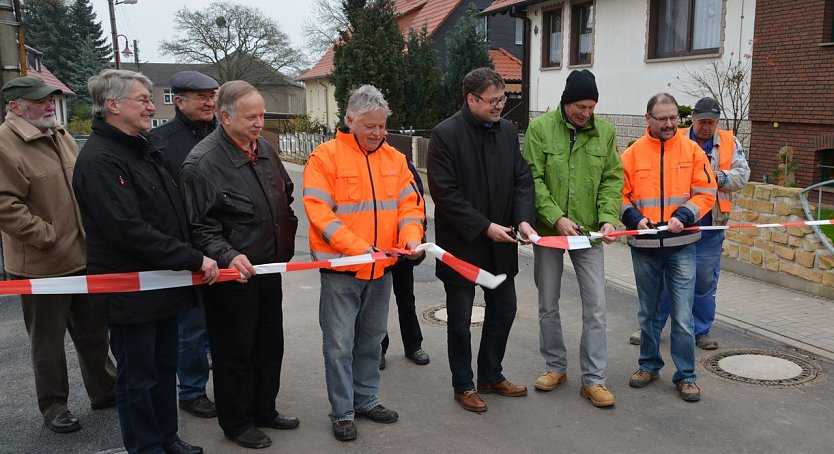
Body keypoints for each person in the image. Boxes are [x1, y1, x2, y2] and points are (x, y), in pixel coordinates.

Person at [72, 69, 217, 454]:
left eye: (151, 100)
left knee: (163, 368)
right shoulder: (101, 160)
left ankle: (166, 437)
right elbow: (127, 229)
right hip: (130, 292)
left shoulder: (141, 147)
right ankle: (146, 447)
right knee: (137, 378)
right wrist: (191, 258)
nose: (152, 106)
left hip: (162, 286)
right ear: (112, 105)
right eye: (143, 100)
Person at [179, 80, 299, 450]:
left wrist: (287, 228)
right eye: (252, 117)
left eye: (262, 115)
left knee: (269, 344)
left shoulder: (262, 148)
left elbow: (285, 192)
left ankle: (264, 408)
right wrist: (229, 255)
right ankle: (237, 422)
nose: (260, 123)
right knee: (235, 353)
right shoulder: (202, 164)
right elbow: (199, 227)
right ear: (225, 116)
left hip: (269, 269)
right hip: (233, 277)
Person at [303, 85, 425, 442]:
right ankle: (342, 411)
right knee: (339, 345)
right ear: (350, 119)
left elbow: (410, 205)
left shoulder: (395, 159)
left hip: (381, 269)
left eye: (382, 126)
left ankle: (366, 398)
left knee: (371, 339)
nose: (377, 133)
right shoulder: (324, 158)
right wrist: (359, 248)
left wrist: (411, 238)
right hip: (341, 270)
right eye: (370, 126)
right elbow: (320, 215)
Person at [0, 76, 116, 434]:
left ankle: (105, 390)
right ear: (16, 107)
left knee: (94, 331)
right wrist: (46, 236)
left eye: (52, 99)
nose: (51, 105)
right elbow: (5, 205)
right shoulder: (5, 145)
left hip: (81, 256)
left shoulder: (61, 135)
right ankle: (54, 406)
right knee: (47, 343)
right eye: (41, 101)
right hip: (39, 264)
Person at [427, 67, 537, 413]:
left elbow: (522, 179)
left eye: (502, 98)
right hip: (462, 245)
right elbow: (445, 194)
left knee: (504, 309)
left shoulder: (506, 132)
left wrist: (523, 220)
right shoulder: (445, 135)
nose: (500, 106)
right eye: (493, 100)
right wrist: (484, 225)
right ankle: (464, 384)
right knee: (459, 320)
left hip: (501, 242)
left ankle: (491, 373)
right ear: (471, 99)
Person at [521, 69, 623, 408]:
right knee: (548, 303)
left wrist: (609, 219)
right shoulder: (539, 129)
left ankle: (594, 380)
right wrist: (556, 217)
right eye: (581, 106)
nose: (586, 113)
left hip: (589, 233)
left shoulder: (605, 133)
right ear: (566, 102)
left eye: (592, 107)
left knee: (596, 306)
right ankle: (555, 367)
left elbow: (611, 179)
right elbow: (531, 179)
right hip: (550, 232)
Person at [628, 97, 750, 350]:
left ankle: (700, 329)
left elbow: (742, 176)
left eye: (712, 122)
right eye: (703, 121)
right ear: (692, 118)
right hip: (674, 226)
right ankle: (653, 326)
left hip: (710, 222)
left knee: (704, 278)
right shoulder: (677, 136)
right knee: (663, 279)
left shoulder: (729, 142)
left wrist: (714, 175)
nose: (707, 127)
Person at [620, 93, 716, 403]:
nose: (670, 123)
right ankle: (648, 365)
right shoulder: (632, 154)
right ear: (648, 119)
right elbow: (618, 194)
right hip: (644, 246)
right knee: (648, 313)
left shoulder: (692, 152)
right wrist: (635, 217)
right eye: (662, 118)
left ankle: (686, 376)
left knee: (683, 316)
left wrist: (685, 215)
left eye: (674, 117)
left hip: (682, 246)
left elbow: (706, 192)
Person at [151, 70, 220, 419]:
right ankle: (191, 391)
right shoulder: (159, 142)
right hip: (188, 248)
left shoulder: (223, 134)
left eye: (213, 95)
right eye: (201, 96)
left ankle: (221, 380)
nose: (210, 102)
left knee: (219, 321)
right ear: (179, 101)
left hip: (224, 243)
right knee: (190, 327)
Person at [380, 157, 429, 369]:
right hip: (377, 249)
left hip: (402, 246)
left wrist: (417, 234)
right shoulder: (361, 164)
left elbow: (417, 199)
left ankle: (413, 345)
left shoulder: (399, 161)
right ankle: (379, 349)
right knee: (377, 303)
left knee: (406, 298)